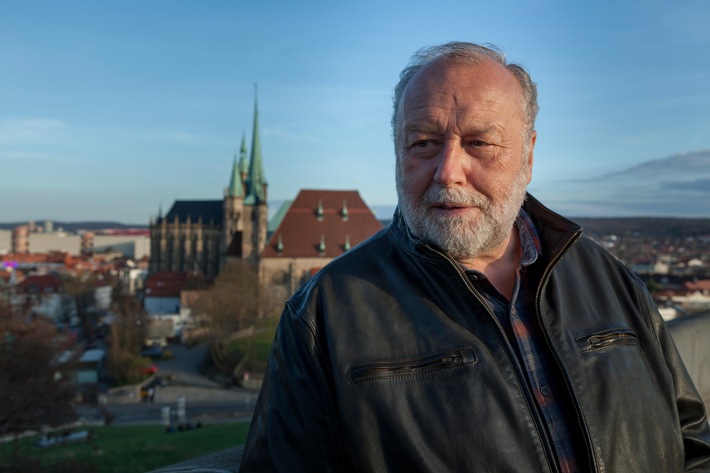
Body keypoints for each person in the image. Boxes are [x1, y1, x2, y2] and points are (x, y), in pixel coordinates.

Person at [239, 42, 710, 472]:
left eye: (480, 143)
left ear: (528, 155)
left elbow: (689, 446)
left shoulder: (614, 283)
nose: (448, 171)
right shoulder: (322, 316)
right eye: (423, 142)